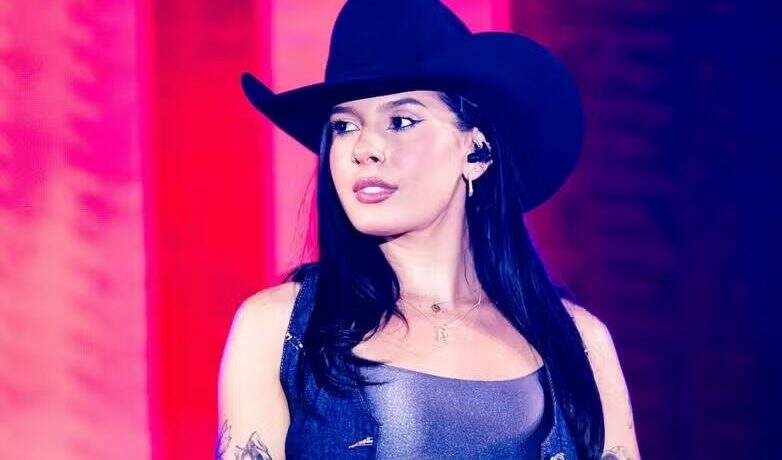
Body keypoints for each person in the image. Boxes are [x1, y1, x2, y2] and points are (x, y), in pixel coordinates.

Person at [217, 1, 639, 459]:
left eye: (401, 121)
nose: (365, 148)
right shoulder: (277, 329)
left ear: (476, 151)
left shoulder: (580, 342)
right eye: (344, 126)